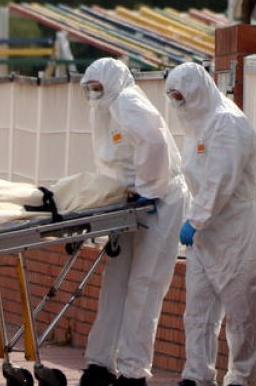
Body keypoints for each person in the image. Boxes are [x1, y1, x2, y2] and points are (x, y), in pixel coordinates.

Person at [79, 58, 190, 386]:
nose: (95, 93)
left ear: (112, 83)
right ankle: (100, 363)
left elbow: (155, 143)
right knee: (115, 282)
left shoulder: (127, 101)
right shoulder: (102, 108)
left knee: (145, 284)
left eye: (99, 87)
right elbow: (111, 160)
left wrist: (149, 190)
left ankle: (133, 371)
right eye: (91, 88)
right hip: (130, 202)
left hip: (160, 200)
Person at [164, 62, 256, 386]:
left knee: (242, 313)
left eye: (182, 96)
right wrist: (196, 222)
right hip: (204, 235)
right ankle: (196, 375)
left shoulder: (227, 123)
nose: (178, 104)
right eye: (173, 97)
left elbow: (220, 181)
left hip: (235, 231)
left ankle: (243, 377)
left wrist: (195, 219)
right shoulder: (198, 127)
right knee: (198, 313)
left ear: (197, 92)